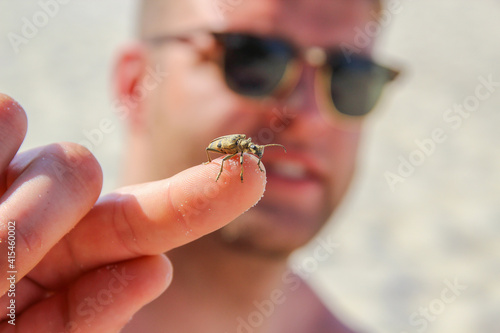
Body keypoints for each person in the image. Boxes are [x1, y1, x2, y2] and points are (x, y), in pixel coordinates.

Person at [0, 0, 397, 331]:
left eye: (352, 79)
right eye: (253, 60)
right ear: (136, 84)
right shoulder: (20, 298)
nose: (309, 114)